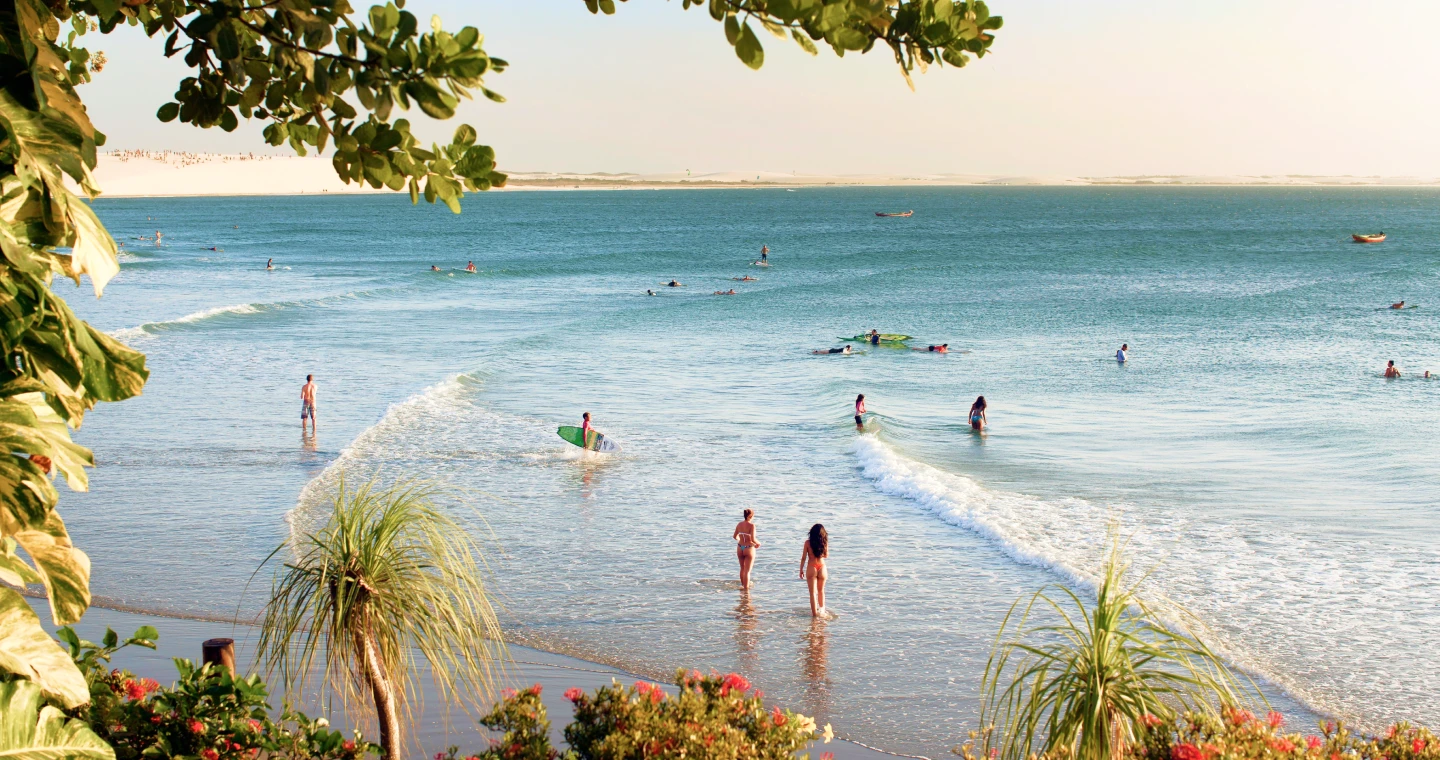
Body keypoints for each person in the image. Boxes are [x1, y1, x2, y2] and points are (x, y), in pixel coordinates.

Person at [800, 524, 829, 618]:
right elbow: (826, 555)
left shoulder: (807, 543)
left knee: (813, 593)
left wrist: (801, 569)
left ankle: (815, 615)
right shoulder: (824, 542)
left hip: (812, 566)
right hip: (822, 566)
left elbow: (804, 558)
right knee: (821, 591)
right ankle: (822, 611)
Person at [733, 509, 760, 590]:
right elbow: (753, 538)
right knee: (747, 571)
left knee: (742, 568)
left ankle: (742, 585)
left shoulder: (739, 524)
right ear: (751, 516)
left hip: (740, 547)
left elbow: (735, 536)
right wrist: (758, 543)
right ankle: (746, 589)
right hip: (748, 548)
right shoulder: (752, 526)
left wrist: (740, 540)